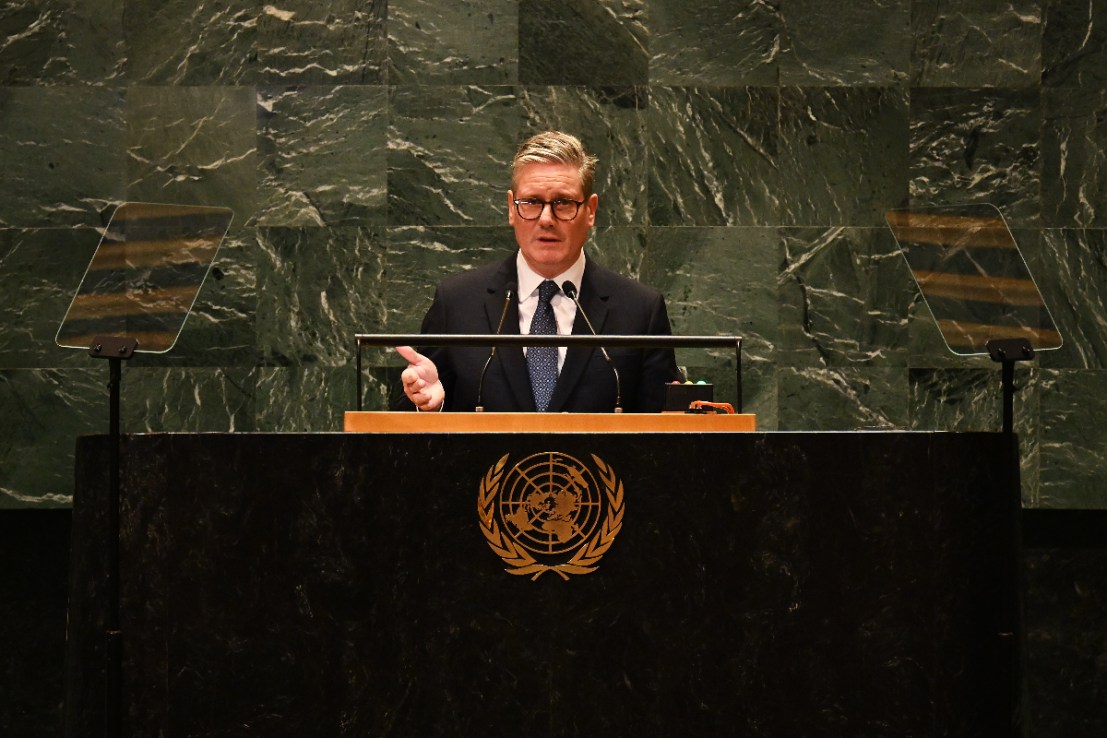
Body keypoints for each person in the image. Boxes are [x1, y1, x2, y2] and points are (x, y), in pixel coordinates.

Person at [396, 130, 681, 413]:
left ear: (590, 210)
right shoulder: (457, 302)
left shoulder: (640, 310)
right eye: (531, 202)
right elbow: (402, 430)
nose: (546, 219)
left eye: (563, 203)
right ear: (511, 208)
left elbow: (664, 435)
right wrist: (432, 405)